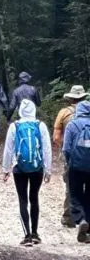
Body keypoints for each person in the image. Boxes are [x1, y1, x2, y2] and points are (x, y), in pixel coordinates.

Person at [3, 99, 53, 246]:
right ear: (33, 110)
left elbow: (8, 149)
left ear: (20, 111)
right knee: (34, 198)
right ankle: (36, 233)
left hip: (19, 167)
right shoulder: (41, 125)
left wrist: (6, 169)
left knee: (23, 200)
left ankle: (27, 235)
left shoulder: (14, 126)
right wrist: (48, 170)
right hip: (37, 167)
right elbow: (46, 149)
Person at [54, 85, 87, 228]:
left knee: (71, 186)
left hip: (73, 157)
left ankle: (69, 218)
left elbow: (56, 137)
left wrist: (68, 150)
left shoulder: (64, 113)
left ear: (70, 98)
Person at [62, 96, 90, 243]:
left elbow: (66, 148)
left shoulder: (72, 125)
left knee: (75, 194)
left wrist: (69, 163)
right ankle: (88, 225)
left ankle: (81, 219)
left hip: (76, 166)